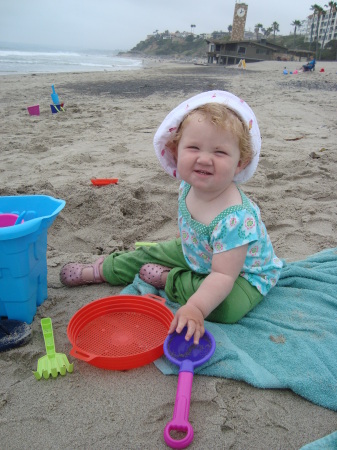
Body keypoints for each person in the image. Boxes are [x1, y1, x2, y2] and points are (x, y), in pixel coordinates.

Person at [60, 90, 283, 344]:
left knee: (226, 308)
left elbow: (223, 277)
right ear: (176, 151)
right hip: (197, 251)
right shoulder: (188, 185)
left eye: (220, 152)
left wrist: (196, 309)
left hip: (243, 274)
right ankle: (102, 270)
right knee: (150, 253)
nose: (204, 158)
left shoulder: (237, 218)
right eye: (193, 147)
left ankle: (171, 280)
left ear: (240, 163)